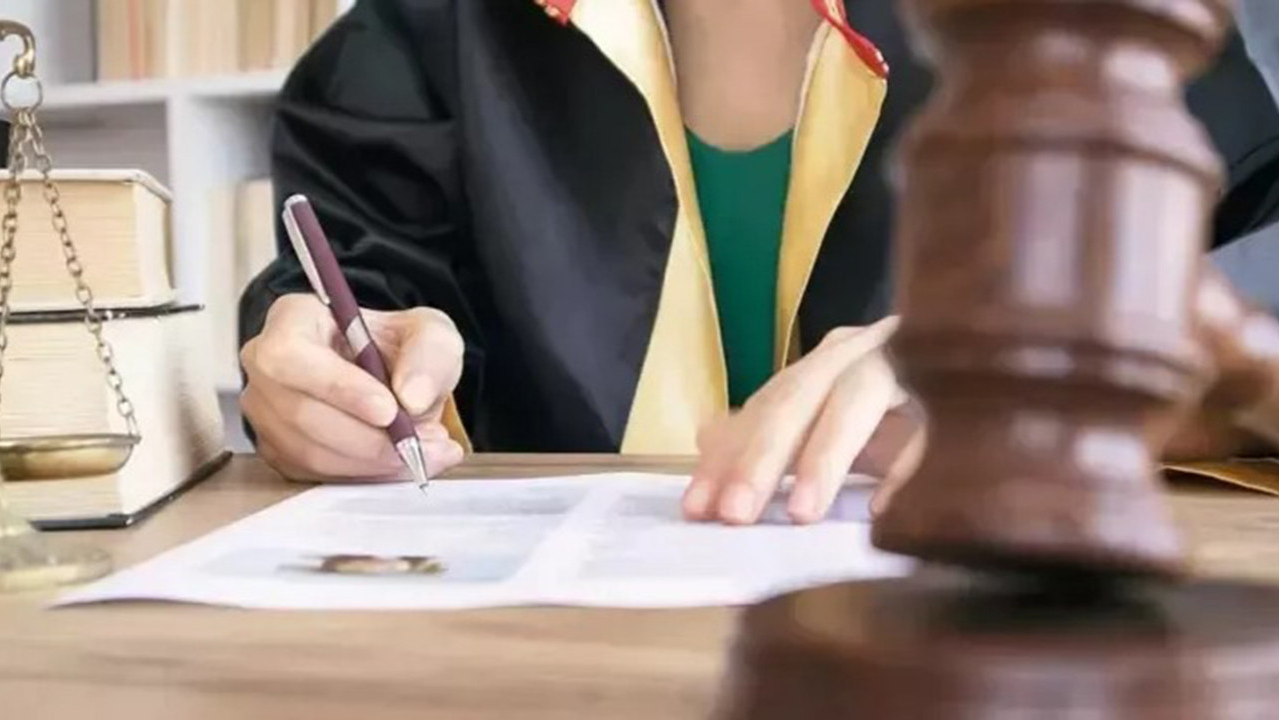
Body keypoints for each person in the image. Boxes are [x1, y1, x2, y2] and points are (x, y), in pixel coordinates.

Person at [238, 0, 1279, 525]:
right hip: (548, 670)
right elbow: (353, 276)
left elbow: (1252, 260)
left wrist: (1073, 351)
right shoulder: (433, 27)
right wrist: (321, 374)